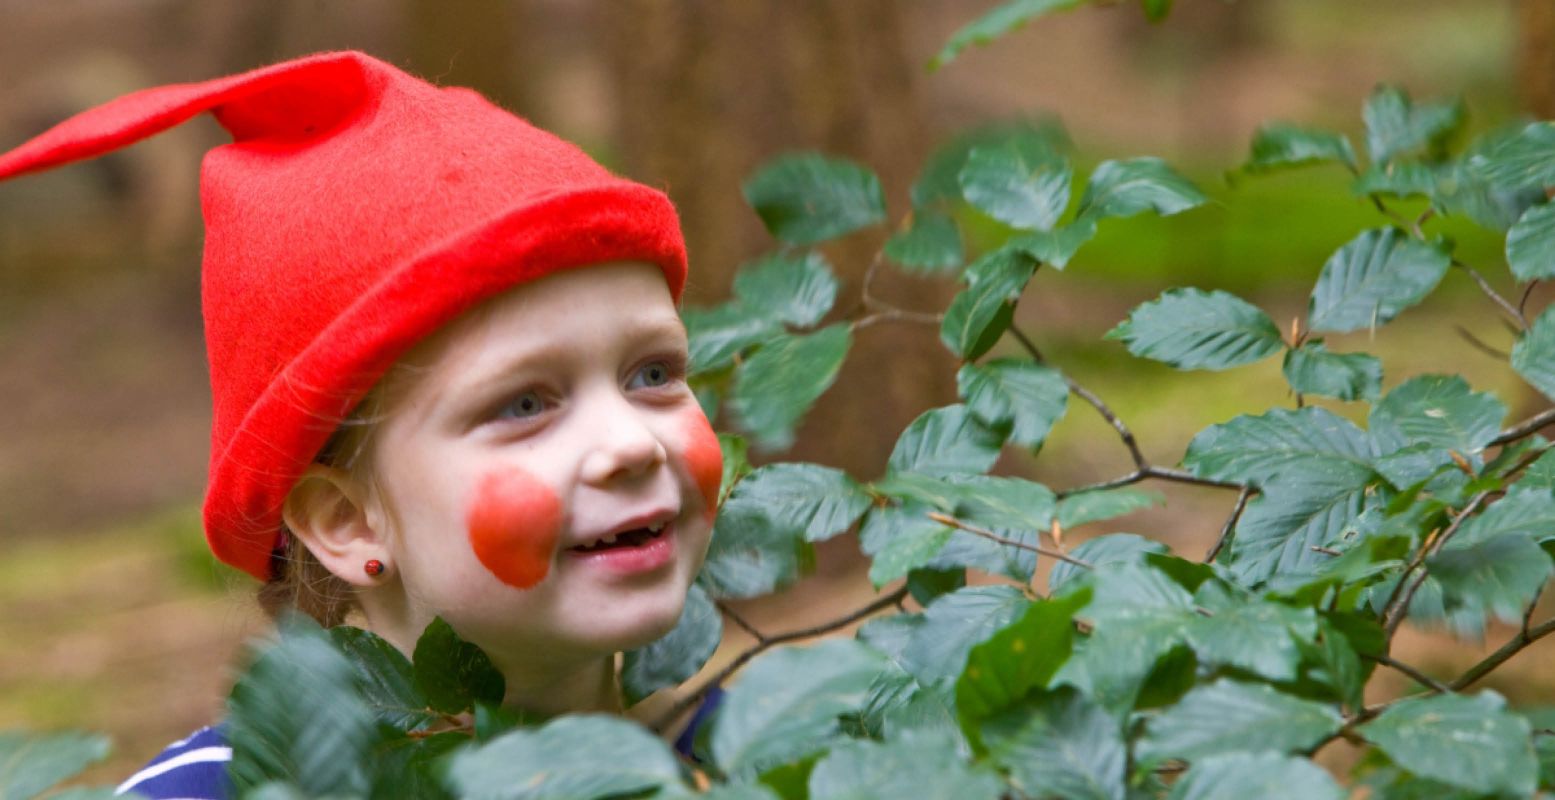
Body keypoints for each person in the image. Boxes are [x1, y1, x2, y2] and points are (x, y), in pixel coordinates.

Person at [0, 50, 721, 798]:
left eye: (653, 375)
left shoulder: (762, 760)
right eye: (525, 405)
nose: (632, 443)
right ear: (346, 520)